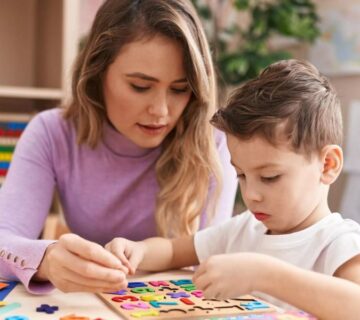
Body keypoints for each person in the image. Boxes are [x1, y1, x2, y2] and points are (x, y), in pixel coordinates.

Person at [0, 0, 238, 294]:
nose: (161, 111)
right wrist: (46, 260)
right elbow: (3, 240)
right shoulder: (51, 133)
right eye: (140, 86)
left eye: (180, 89)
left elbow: (215, 257)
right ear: (98, 73)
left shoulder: (213, 142)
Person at [105, 60, 360, 320]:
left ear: (327, 165)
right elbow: (173, 251)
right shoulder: (243, 230)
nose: (250, 194)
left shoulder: (339, 242)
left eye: (270, 177)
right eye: (241, 175)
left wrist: (264, 274)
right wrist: (138, 251)